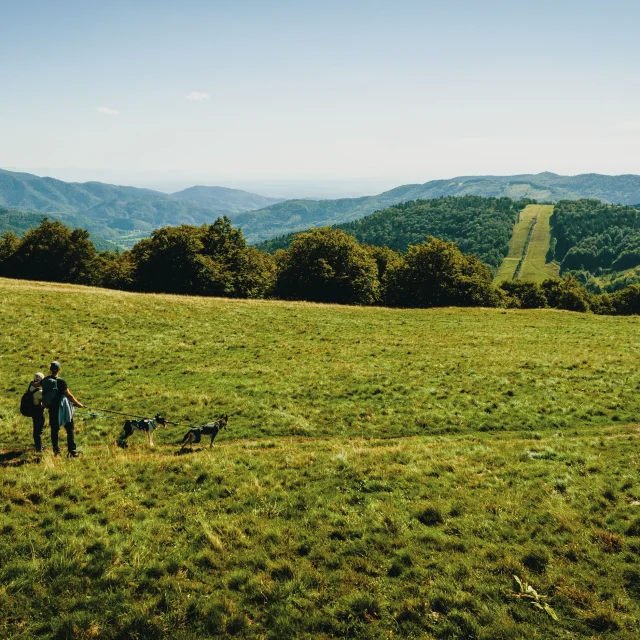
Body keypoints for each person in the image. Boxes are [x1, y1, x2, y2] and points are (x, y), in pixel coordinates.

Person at [41, 361, 84, 457]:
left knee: (54, 430)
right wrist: (78, 404)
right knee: (70, 429)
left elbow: (37, 385)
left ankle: (56, 450)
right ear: (59, 369)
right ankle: (72, 451)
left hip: (52, 409)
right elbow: (69, 395)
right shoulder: (61, 381)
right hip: (63, 409)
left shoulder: (45, 380)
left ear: (50, 369)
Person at [29, 372, 46, 452]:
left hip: (32, 410)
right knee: (39, 431)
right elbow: (45, 403)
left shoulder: (30, 387)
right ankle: (39, 448)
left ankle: (38, 446)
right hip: (38, 411)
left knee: (36, 429)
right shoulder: (40, 392)